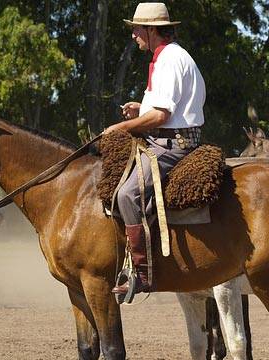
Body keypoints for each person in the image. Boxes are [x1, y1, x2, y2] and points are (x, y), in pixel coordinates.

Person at [107, 2, 205, 296]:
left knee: (127, 194)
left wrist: (119, 128)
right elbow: (163, 108)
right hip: (165, 139)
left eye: (137, 29)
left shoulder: (170, 60)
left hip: (173, 147)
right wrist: (141, 108)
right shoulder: (166, 57)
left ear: (151, 30)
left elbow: (161, 117)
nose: (133, 35)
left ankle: (142, 272)